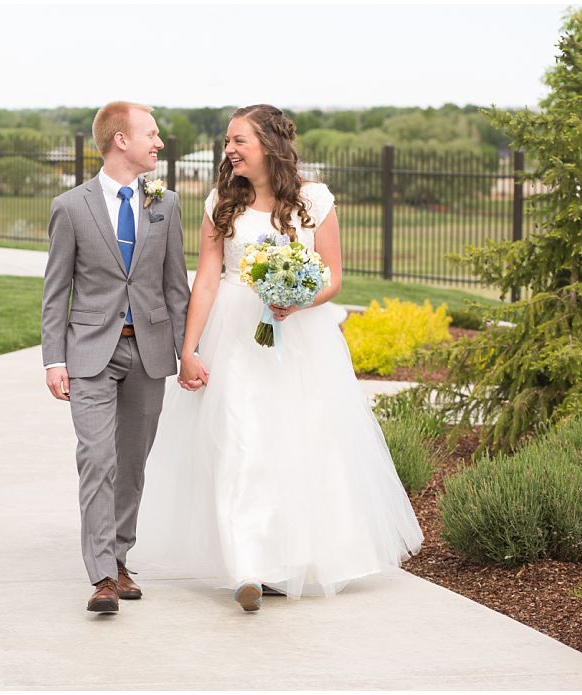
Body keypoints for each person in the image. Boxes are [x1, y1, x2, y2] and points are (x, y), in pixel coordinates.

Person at [141, 105, 423, 612]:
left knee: (300, 440)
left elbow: (334, 276)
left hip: (301, 340)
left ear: (269, 143)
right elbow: (206, 278)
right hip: (235, 337)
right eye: (227, 141)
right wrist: (189, 349)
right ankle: (247, 566)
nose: (228, 150)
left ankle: (295, 557)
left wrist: (297, 299)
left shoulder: (314, 201)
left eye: (238, 140)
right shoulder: (220, 203)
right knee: (238, 439)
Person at [41, 101, 191, 613]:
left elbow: (176, 286)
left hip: (148, 351)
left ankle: (121, 557)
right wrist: (53, 359)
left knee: (131, 464)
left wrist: (186, 351)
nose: (159, 143)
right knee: (97, 458)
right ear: (120, 140)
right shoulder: (71, 207)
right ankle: (102, 574)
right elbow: (55, 289)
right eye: (151, 134)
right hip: (89, 353)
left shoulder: (165, 203)